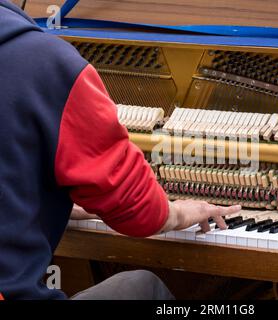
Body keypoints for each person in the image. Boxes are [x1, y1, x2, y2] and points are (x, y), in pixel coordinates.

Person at [0, 0, 241, 299]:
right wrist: (177, 212)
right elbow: (140, 212)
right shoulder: (43, 62)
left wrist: (47, 205)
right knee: (141, 288)